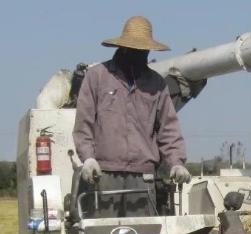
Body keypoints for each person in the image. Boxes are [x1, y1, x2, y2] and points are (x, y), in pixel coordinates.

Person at [72, 16, 191, 217]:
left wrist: (177, 162)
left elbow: (168, 129)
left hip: (142, 176)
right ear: (123, 47)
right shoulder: (97, 77)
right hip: (104, 174)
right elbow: (84, 123)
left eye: (144, 49)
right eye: (134, 48)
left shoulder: (156, 84)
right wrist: (88, 158)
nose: (140, 53)